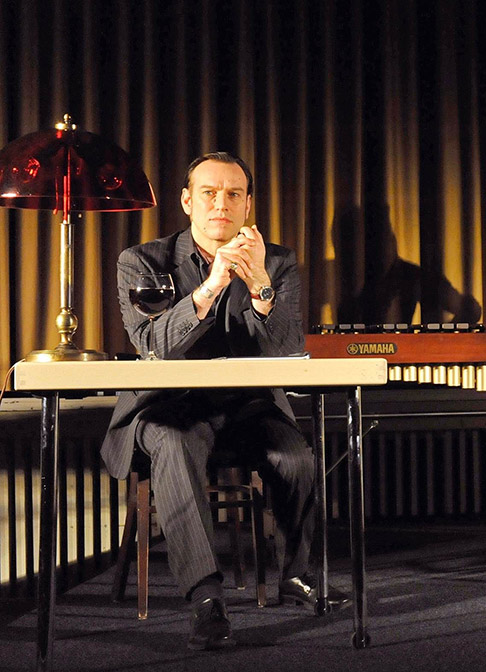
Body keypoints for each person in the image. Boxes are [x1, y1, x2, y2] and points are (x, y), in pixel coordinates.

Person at [100, 152, 346, 651]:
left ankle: (296, 576)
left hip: (246, 407)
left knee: (295, 456)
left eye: (234, 194)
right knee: (174, 444)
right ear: (188, 200)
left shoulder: (276, 262)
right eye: (209, 193)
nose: (221, 204)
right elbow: (153, 346)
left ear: (248, 203)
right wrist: (210, 289)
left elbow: (285, 354)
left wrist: (259, 285)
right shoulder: (142, 261)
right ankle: (207, 600)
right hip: (166, 407)